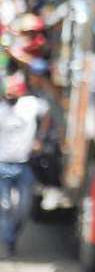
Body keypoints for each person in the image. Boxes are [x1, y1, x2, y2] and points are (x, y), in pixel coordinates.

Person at [0, 73, 47, 258]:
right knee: (4, 207)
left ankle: (12, 236)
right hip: (2, 166)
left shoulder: (30, 105)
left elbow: (51, 111)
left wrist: (40, 138)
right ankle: (7, 242)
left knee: (23, 209)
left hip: (24, 166)